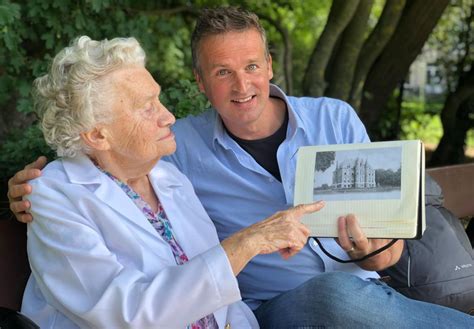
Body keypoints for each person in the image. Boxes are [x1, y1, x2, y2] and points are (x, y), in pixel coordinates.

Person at [9, 7, 474, 328]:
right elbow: (95, 167)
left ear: (270, 66)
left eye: (252, 65)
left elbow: (385, 253)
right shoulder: (178, 151)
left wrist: (375, 254)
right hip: (280, 309)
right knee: (336, 297)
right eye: (221, 72)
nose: (242, 85)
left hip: (367, 297)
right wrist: (29, 186)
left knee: (349, 296)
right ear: (200, 82)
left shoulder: (332, 119)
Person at [18, 35, 325, 328]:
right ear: (98, 134)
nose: (168, 117)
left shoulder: (168, 177)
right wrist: (248, 242)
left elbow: (224, 304)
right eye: (147, 107)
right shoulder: (55, 195)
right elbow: (128, 316)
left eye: (159, 100)